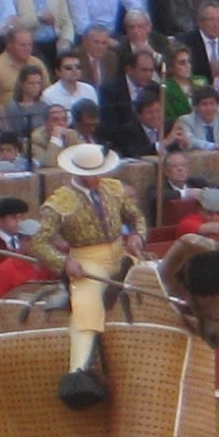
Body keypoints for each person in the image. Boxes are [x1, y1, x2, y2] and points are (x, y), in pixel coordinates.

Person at [30, 142, 147, 406]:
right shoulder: (60, 201)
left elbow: (136, 217)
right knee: (87, 306)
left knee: (154, 278)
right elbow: (39, 243)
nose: (97, 178)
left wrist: (138, 235)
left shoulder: (113, 189)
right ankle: (78, 374)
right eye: (92, 173)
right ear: (79, 172)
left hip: (121, 252)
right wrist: (64, 262)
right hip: (86, 260)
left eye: (100, 172)